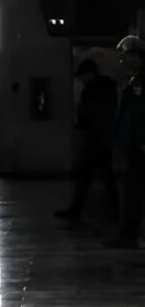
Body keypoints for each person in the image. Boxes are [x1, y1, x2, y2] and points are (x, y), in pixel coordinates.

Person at [55, 59, 118, 224]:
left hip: (98, 140)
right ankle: (115, 213)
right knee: (99, 178)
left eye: (83, 76)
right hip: (99, 140)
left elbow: (94, 116)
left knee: (92, 178)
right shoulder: (103, 88)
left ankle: (79, 212)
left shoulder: (96, 90)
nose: (81, 79)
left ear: (91, 73)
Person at [105, 36, 145, 248]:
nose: (122, 62)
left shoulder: (140, 81)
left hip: (139, 144)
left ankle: (131, 233)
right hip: (131, 144)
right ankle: (128, 233)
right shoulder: (132, 81)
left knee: (134, 192)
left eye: (125, 58)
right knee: (130, 192)